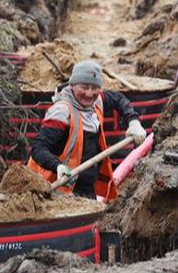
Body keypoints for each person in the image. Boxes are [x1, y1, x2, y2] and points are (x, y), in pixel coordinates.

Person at [27, 60, 147, 200]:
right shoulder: (62, 112)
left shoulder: (96, 102)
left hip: (85, 186)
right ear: (72, 86)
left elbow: (118, 99)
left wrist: (133, 122)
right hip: (55, 187)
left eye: (94, 88)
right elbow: (37, 148)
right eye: (84, 87)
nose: (89, 94)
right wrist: (57, 166)